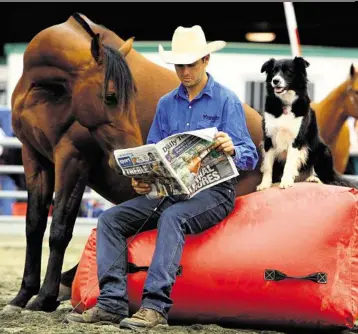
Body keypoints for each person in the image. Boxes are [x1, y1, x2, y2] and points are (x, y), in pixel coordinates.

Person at [66, 25, 258, 329]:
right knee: (110, 220)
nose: (183, 71)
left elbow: (251, 154)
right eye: (179, 65)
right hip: (172, 192)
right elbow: (155, 152)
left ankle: (155, 306)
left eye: (190, 64)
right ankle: (112, 303)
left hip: (214, 195)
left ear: (206, 60)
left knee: (173, 218)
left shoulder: (226, 100)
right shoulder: (167, 103)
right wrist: (142, 179)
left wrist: (232, 148)